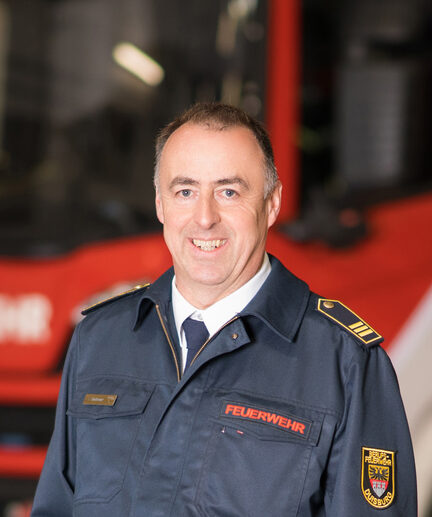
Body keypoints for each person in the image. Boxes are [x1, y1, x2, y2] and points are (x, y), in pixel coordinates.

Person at [31, 103, 417, 516]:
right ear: (160, 204)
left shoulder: (345, 364)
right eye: (185, 192)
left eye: (228, 192)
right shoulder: (99, 340)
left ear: (272, 204)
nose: (204, 218)